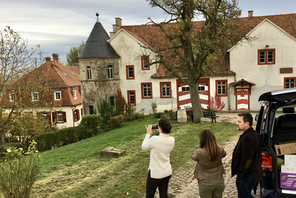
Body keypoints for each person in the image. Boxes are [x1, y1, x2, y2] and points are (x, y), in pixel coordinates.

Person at [142, 119, 175, 198]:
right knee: (164, 195)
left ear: (159, 128)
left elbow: (144, 147)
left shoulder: (155, 139)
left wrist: (148, 134)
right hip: (167, 171)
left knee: (149, 195)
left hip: (155, 174)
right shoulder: (172, 139)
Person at [231, 113, 262, 198]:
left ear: (247, 123)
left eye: (239, 121)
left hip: (246, 175)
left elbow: (248, 159)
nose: (237, 123)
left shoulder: (248, 137)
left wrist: (241, 173)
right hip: (251, 173)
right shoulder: (254, 134)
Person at [192, 129, 226, 198]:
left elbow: (193, 157)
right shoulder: (220, 149)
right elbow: (224, 154)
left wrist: (199, 146)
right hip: (219, 179)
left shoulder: (199, 152)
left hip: (205, 181)